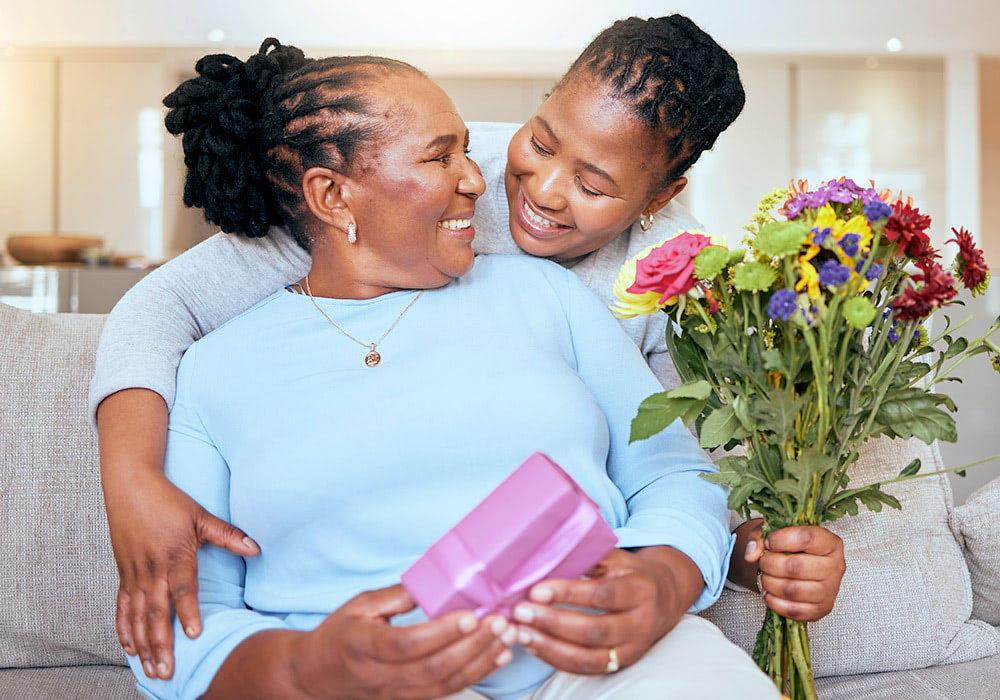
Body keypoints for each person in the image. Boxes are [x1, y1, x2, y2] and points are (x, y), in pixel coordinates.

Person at [93, 15, 844, 686]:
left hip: (582, 661)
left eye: (589, 181)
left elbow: (677, 473)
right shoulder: (215, 368)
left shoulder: (560, 296)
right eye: (441, 159)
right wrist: (307, 666)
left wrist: (666, 581)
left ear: (654, 195)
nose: (481, 181)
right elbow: (178, 633)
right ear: (332, 198)